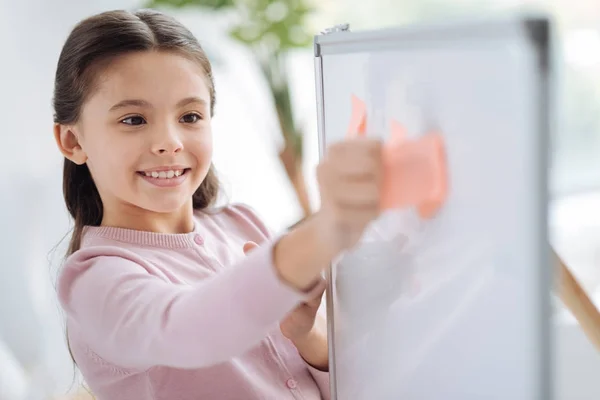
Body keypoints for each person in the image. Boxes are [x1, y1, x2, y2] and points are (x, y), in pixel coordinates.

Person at [54, 9, 383, 400]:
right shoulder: (93, 282)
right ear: (73, 142)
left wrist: (306, 335)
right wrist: (327, 230)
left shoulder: (243, 225)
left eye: (190, 115)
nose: (170, 141)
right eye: (133, 120)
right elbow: (190, 329)